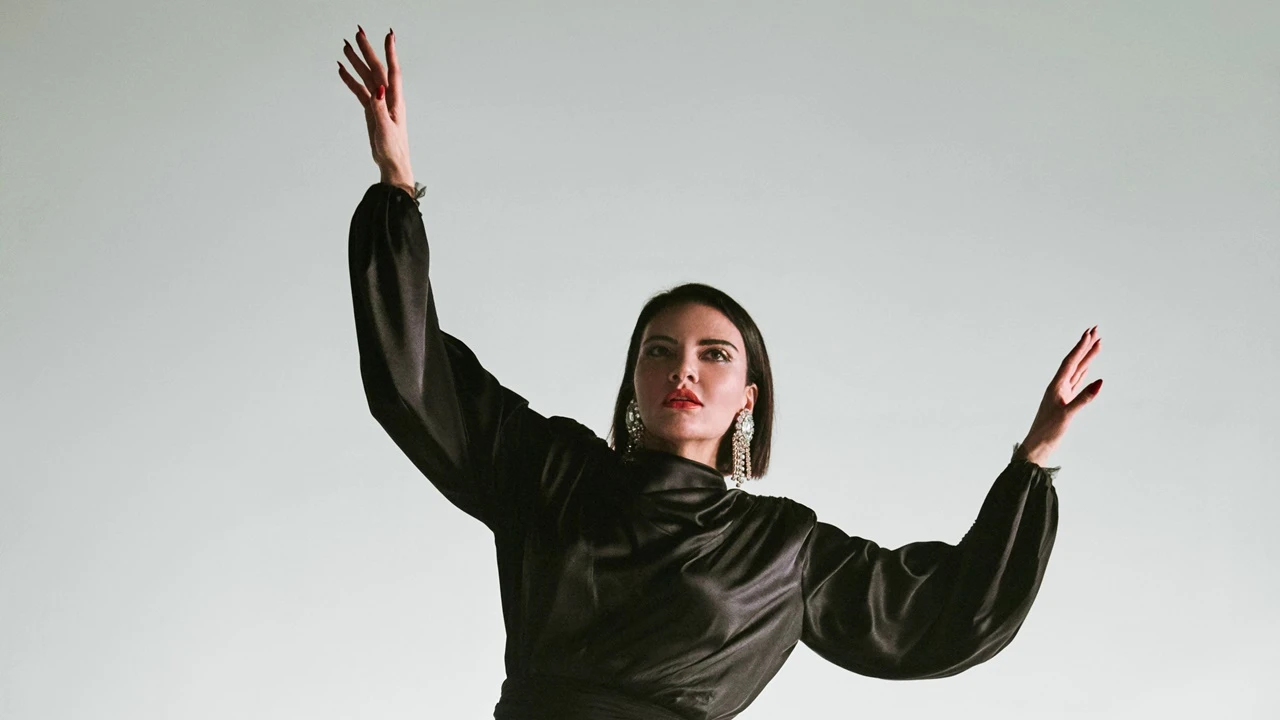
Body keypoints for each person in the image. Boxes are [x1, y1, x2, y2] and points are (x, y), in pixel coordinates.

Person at [337, 26, 1104, 720]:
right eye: (659, 351)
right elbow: (415, 381)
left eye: (715, 355)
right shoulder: (552, 473)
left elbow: (944, 618)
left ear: (748, 398)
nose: (685, 370)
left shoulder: (781, 549)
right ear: (633, 381)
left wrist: (1035, 456)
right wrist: (397, 183)